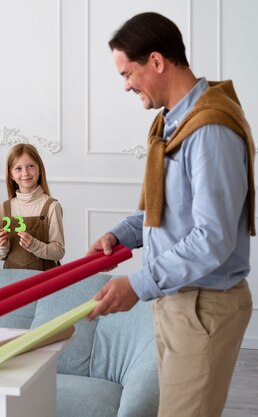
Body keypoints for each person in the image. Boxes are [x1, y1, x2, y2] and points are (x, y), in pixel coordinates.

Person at [86, 12, 254, 417]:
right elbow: (164, 209)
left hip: (203, 307)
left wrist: (137, 284)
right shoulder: (170, 123)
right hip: (178, 301)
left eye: (128, 72)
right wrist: (121, 234)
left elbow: (212, 239)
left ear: (157, 62)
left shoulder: (209, 129)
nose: (125, 84)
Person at [0, 144, 64, 270]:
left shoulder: (52, 206)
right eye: (18, 168)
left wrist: (34, 245)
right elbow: (0, 255)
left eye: (30, 166)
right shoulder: (5, 208)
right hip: (11, 280)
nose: (25, 173)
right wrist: (3, 245)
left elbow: (59, 251)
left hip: (43, 281)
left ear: (39, 169)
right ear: (11, 175)